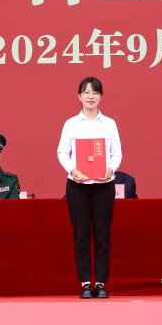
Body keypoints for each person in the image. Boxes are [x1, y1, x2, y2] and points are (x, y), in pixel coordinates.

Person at [57, 76, 122, 299]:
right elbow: (62, 152)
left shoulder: (110, 124)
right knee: (81, 235)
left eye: (95, 92)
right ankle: (85, 283)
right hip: (78, 185)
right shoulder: (71, 124)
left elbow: (117, 154)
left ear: (101, 96)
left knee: (102, 235)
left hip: (104, 185)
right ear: (79, 96)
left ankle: (101, 282)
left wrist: (111, 169)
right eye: (86, 92)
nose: (90, 96)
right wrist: (72, 169)